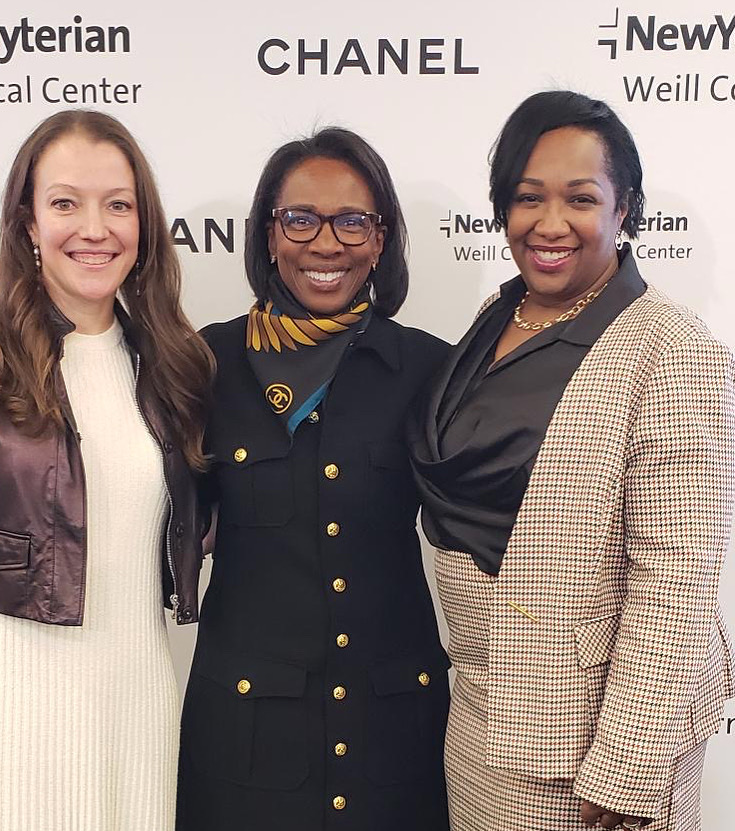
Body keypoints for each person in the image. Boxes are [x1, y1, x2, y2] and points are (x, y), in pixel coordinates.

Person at [408, 90, 735, 831]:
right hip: (481, 714)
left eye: (579, 198)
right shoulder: (498, 314)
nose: (548, 223)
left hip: (585, 742)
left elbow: (676, 581)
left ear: (624, 211)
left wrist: (625, 768)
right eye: (527, 198)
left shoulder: (670, 349)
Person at [0, 109, 214, 831]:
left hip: (135, 697)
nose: (95, 229)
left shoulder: (173, 363)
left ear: (144, 223)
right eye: (66, 202)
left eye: (118, 204)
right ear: (28, 223)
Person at [178, 127, 451, 830]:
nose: (326, 243)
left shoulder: (431, 370)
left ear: (380, 238)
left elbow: (495, 533)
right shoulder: (204, 365)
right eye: (300, 218)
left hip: (393, 738)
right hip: (245, 747)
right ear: (268, 236)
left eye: (352, 220)